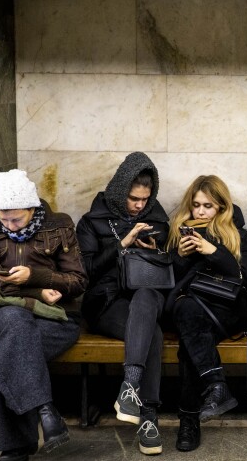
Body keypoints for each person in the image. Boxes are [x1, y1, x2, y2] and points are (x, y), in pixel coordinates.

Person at [0, 169, 86, 461]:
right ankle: (46, 410)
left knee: (10, 347)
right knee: (14, 324)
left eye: (15, 219)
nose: (8, 225)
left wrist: (35, 276)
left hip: (56, 319)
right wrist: (35, 290)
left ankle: (18, 447)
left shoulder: (60, 225)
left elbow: (77, 281)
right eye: (3, 219)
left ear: (32, 207)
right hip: (5, 314)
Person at [76, 152, 170, 455]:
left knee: (146, 300)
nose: (140, 205)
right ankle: (149, 416)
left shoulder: (158, 220)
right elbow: (86, 271)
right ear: (119, 191)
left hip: (146, 297)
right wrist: (122, 245)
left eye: (145, 199)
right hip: (107, 302)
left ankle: (130, 388)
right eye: (133, 199)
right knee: (151, 333)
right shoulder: (91, 222)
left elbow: (170, 269)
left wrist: (155, 250)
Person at [165, 175, 247, 452]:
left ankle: (188, 420)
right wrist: (179, 256)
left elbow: (245, 277)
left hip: (226, 310)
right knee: (190, 321)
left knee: (191, 336)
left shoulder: (237, 234)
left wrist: (214, 250)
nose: (201, 212)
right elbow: (169, 283)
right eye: (196, 205)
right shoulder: (180, 232)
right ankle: (214, 385)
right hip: (191, 308)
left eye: (208, 206)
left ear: (221, 207)